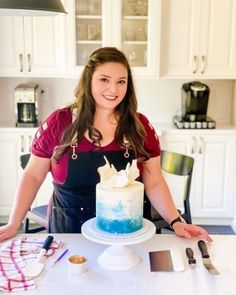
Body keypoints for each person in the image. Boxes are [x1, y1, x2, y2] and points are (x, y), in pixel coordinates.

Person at [0, 47, 212, 242]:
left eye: (121, 81)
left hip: (127, 235)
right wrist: (13, 223)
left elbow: (154, 181)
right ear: (89, 81)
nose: (113, 89)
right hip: (71, 233)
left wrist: (176, 221)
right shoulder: (60, 123)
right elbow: (33, 175)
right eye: (104, 79)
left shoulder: (139, 126)